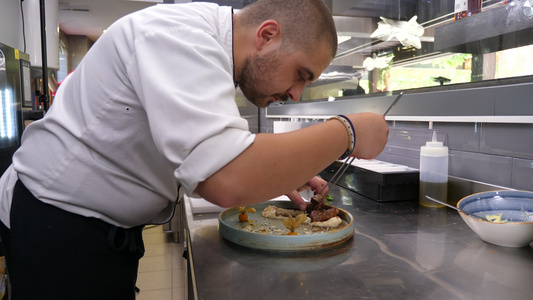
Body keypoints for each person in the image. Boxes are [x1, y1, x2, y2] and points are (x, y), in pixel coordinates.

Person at [0, 0, 388, 298]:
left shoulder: (209, 52)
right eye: (301, 74)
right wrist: (349, 130)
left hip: (98, 228)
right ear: (267, 35)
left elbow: (219, 149)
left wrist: (285, 170)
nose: (295, 93)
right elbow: (226, 179)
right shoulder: (181, 37)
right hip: (58, 225)